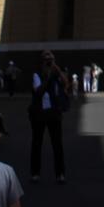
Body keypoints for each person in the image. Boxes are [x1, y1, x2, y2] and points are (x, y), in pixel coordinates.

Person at [27, 53, 70, 185]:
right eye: (47, 60)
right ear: (41, 62)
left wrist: (56, 69)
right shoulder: (37, 75)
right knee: (37, 143)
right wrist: (48, 77)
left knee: (57, 144)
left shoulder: (56, 74)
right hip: (39, 113)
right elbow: (38, 91)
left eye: (51, 59)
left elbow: (66, 84)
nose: (49, 63)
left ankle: (60, 174)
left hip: (53, 112)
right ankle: (35, 173)